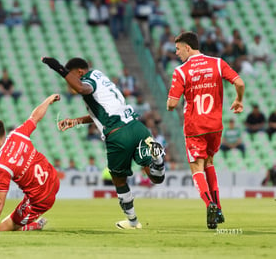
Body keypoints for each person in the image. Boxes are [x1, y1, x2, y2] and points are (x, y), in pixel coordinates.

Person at [42, 57, 165, 230]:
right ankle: (158, 160)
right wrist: (76, 121)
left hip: (118, 134)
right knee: (155, 177)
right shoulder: (101, 77)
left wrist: (59, 69)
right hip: (137, 127)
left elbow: (81, 87)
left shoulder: (87, 79)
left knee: (119, 180)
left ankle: (133, 222)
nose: (71, 86)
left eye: (71, 78)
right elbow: (102, 112)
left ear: (78, 72)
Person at [166, 31, 245, 229]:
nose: (176, 53)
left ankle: (210, 204)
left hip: (195, 127)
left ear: (187, 47)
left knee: (196, 167)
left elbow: (172, 104)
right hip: (215, 126)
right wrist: (238, 100)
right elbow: (240, 83)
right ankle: (218, 208)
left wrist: (170, 101)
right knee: (209, 161)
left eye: (178, 49)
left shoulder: (181, 71)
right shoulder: (218, 63)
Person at [0, 94, 61, 233]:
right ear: (4, 132)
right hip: (53, 179)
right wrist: (47, 100)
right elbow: (35, 117)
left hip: (41, 199)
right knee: (22, 206)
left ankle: (36, 225)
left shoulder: (2, 166)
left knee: (4, 228)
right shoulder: (18, 134)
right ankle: (28, 220)